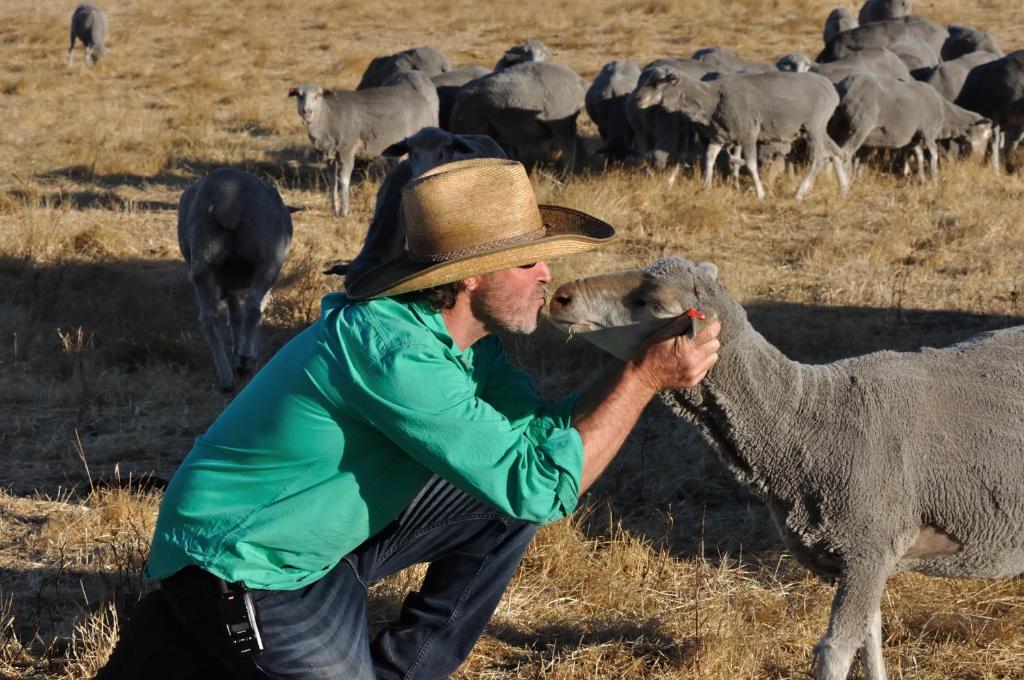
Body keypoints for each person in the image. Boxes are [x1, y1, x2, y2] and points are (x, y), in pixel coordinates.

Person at [143, 158, 721, 679]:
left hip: (323, 541)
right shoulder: (396, 354)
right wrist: (642, 378)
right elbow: (542, 487)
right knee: (516, 488)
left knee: (501, 499)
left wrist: (635, 363)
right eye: (528, 261)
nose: (547, 274)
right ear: (472, 274)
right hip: (244, 565)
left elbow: (539, 447)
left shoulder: (465, 342)